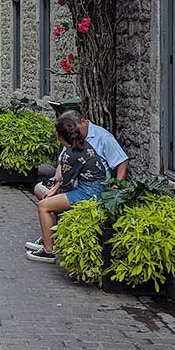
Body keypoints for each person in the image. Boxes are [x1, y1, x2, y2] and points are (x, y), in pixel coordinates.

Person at [25, 112, 110, 262]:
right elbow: (66, 179)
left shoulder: (70, 154)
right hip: (96, 189)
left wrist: (52, 194)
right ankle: (49, 240)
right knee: (49, 203)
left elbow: (67, 185)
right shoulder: (82, 145)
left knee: (43, 206)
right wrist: (53, 191)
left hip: (89, 193)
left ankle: (48, 250)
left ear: (59, 135)